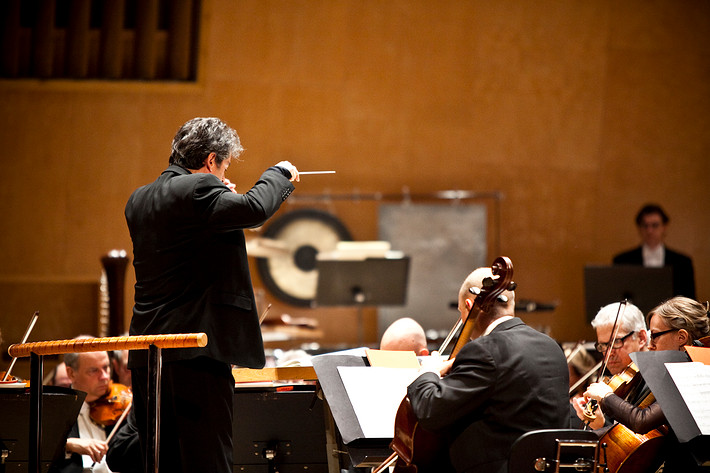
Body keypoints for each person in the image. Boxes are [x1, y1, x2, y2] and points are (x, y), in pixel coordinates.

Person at [124, 117, 299, 473]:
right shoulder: (200, 187)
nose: (222, 174)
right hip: (194, 354)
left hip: (146, 354)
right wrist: (280, 174)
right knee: (207, 463)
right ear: (211, 160)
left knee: (160, 462)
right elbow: (254, 209)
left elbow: (188, 241)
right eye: (225, 166)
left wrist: (219, 193)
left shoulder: (139, 199)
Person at [404, 266, 570, 473]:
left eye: (461, 313)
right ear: (511, 303)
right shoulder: (552, 347)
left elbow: (430, 412)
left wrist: (428, 372)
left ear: (469, 305)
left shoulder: (484, 351)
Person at [581, 297, 710, 472]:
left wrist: (606, 397)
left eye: (655, 336)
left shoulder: (695, 370)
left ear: (681, 337)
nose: (650, 346)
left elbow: (641, 421)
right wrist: (580, 437)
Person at [571, 301, 649, 429]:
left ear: (641, 338)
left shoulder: (655, 381)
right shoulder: (616, 383)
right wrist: (600, 424)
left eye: (616, 342)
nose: (608, 353)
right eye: (603, 345)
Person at [613, 203, 695, 299]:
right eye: (645, 225)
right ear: (639, 228)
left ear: (664, 227)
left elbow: (690, 302)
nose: (649, 231)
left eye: (655, 225)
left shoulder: (683, 263)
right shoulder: (622, 261)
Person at [51, 350, 113, 473]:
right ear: (71, 373)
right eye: (94, 370)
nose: (105, 376)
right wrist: (68, 444)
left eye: (106, 367)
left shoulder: (121, 408)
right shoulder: (54, 410)